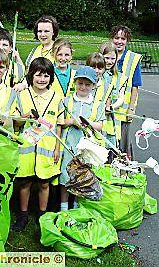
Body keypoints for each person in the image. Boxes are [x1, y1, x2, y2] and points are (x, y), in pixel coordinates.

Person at [12, 57, 64, 231]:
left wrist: (57, 147)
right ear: (31, 76)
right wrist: (24, 117)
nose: (42, 79)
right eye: (38, 75)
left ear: (51, 77)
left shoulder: (57, 97)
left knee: (44, 183)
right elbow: (17, 124)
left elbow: (59, 125)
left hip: (48, 148)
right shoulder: (22, 95)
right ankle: (23, 215)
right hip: (26, 147)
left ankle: (42, 214)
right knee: (25, 182)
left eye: (46, 76)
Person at [60, 66, 105, 211]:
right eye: (80, 83)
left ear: (93, 85)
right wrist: (73, 122)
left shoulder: (97, 104)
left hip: (87, 147)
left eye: (87, 84)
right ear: (75, 83)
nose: (83, 87)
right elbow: (61, 121)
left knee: (83, 176)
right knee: (67, 175)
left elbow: (101, 125)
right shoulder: (67, 101)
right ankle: (64, 207)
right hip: (69, 144)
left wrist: (88, 123)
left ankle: (77, 207)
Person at [110, 25, 142, 158]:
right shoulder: (107, 55)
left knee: (123, 142)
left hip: (124, 110)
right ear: (111, 39)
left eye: (123, 38)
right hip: (107, 109)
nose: (119, 41)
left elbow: (135, 85)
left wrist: (131, 108)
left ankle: (124, 171)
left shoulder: (133, 59)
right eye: (116, 38)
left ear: (127, 40)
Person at [99, 42, 127, 153]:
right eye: (106, 58)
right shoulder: (95, 73)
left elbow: (121, 98)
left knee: (109, 152)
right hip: (95, 120)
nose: (110, 61)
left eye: (113, 58)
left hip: (110, 121)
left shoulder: (120, 77)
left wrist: (111, 107)